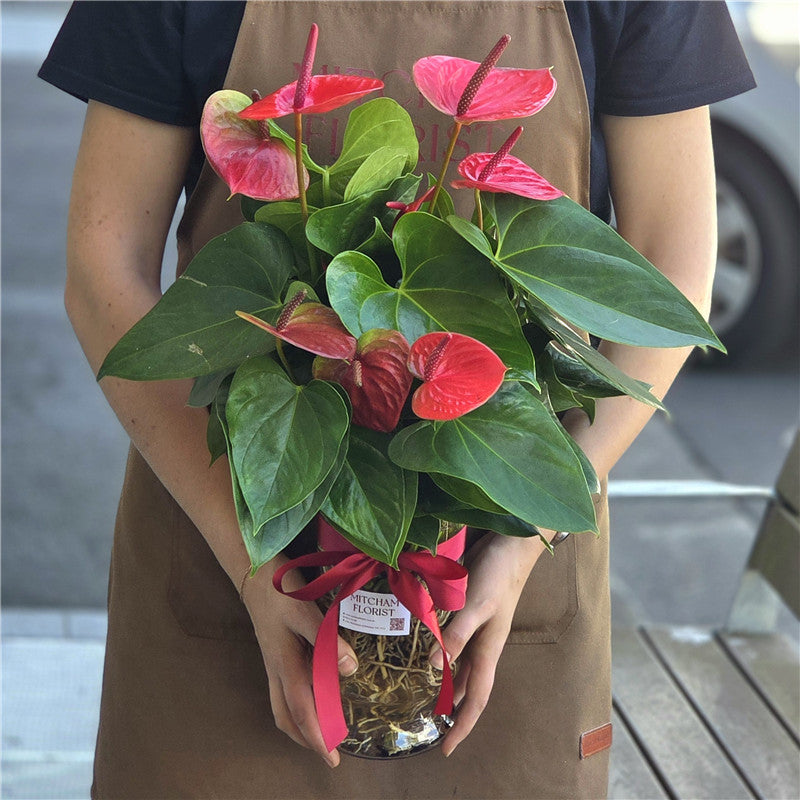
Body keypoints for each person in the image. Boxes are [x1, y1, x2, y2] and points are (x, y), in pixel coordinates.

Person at [40, 2, 754, 797]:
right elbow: (104, 270)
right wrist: (253, 563)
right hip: (226, 554)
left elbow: (671, 268)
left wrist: (522, 547)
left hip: (497, 586)